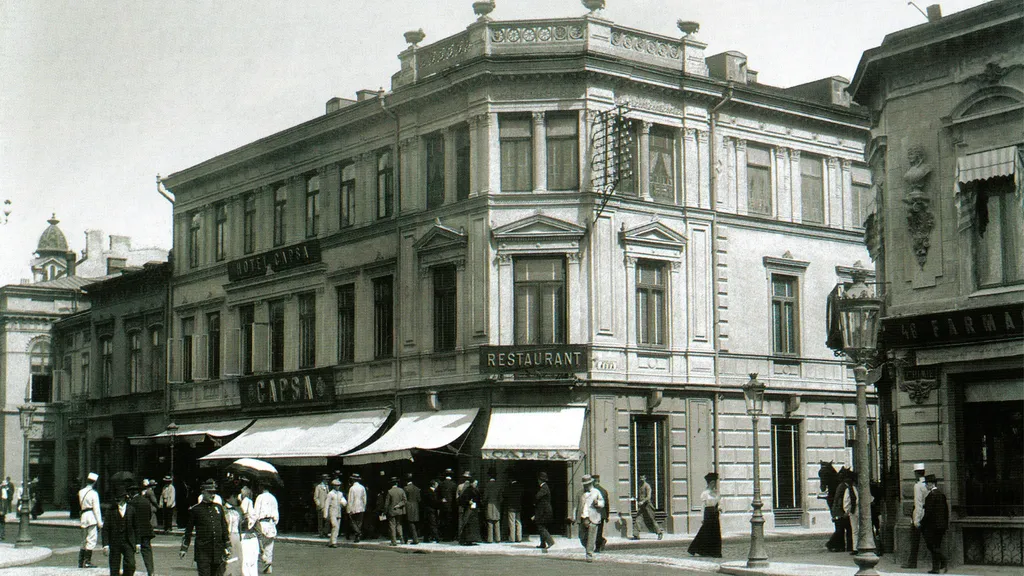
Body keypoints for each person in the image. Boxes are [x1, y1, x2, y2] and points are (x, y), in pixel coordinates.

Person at [180, 479, 231, 576]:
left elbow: (224, 527)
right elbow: (188, 531)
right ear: (203, 492)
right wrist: (184, 548)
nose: (212, 495)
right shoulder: (196, 510)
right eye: (209, 492)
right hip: (203, 552)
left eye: (214, 493)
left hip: (217, 551)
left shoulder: (218, 508)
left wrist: (228, 545)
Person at [102, 484, 137, 576]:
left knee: (130, 564)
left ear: (125, 498)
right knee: (114, 567)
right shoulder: (110, 510)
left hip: (128, 541)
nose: (117, 500)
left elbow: (136, 527)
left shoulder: (131, 509)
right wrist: (105, 545)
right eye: (116, 498)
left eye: (120, 498)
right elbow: (105, 528)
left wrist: (138, 543)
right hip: (114, 542)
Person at [688, 472, 722, 557]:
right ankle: (695, 548)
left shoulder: (716, 493)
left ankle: (714, 552)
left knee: (715, 533)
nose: (715, 484)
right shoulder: (705, 493)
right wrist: (702, 517)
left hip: (715, 513)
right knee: (705, 532)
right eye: (714, 482)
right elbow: (703, 506)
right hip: (708, 513)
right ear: (711, 483)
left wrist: (719, 508)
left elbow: (719, 502)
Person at [921, 474, 948, 574]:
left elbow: (928, 513)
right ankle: (937, 567)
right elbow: (946, 511)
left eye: (927, 484)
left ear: (931, 484)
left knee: (932, 546)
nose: (926, 486)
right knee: (937, 545)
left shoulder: (931, 496)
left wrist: (921, 523)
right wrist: (945, 525)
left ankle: (942, 562)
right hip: (941, 526)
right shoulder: (942, 495)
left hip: (932, 526)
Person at [574, 474, 604, 563]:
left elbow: (602, 503)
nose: (585, 485)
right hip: (582, 517)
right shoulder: (579, 493)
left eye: (587, 484)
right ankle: (588, 547)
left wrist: (597, 503)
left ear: (590, 483)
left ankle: (589, 554)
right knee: (582, 537)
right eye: (584, 484)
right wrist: (573, 516)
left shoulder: (596, 492)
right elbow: (576, 506)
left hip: (593, 518)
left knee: (591, 537)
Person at [902, 463, 928, 569]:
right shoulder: (928, 484)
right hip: (928, 514)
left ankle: (912, 563)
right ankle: (941, 561)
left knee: (915, 541)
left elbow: (918, 504)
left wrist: (916, 520)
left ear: (916, 474)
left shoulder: (917, 486)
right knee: (929, 540)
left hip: (919, 514)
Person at [129, 481, 156, 575]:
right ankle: (150, 571)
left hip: (134, 531)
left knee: (130, 552)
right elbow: (149, 515)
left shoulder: (131, 503)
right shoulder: (146, 501)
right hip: (146, 530)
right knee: (147, 552)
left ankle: (130, 571)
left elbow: (130, 518)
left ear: (131, 493)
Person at [79, 472, 103, 568]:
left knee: (84, 539)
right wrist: (100, 522)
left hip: (83, 516)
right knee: (92, 539)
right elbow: (96, 509)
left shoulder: (81, 492)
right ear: (94, 483)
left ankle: (81, 561)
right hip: (91, 516)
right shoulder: (94, 493)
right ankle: (87, 561)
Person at [252, 485, 279, 573]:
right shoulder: (273, 498)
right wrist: (274, 523)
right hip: (271, 523)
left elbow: (255, 512)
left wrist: (254, 524)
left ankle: (262, 563)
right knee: (269, 546)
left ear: (262, 488)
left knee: (259, 546)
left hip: (262, 523)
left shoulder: (260, 497)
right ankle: (268, 566)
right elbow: (276, 513)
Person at [631, 473, 663, 540]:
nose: (641, 479)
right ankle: (636, 535)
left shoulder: (647, 486)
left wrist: (642, 501)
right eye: (640, 478)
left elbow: (648, 497)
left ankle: (659, 532)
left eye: (643, 478)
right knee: (638, 519)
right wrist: (636, 499)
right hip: (642, 506)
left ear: (645, 478)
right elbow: (640, 497)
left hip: (647, 505)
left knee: (651, 519)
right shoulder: (640, 486)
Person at [831, 467, 854, 552]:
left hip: (842, 511)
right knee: (843, 530)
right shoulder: (842, 486)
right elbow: (838, 500)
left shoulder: (844, 486)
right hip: (841, 512)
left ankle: (847, 546)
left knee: (845, 530)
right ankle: (842, 546)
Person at [533, 471, 555, 551]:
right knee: (543, 526)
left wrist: (534, 503)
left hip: (544, 511)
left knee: (540, 526)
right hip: (545, 510)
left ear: (540, 480)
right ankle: (543, 543)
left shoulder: (544, 487)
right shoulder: (544, 487)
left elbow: (537, 496)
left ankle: (550, 541)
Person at [324, 479, 347, 548]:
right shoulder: (330, 494)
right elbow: (327, 504)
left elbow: (343, 501)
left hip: (338, 512)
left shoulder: (340, 493)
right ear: (333, 486)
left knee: (337, 528)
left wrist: (344, 503)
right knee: (335, 526)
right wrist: (325, 514)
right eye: (336, 485)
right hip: (332, 511)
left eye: (339, 485)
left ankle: (331, 542)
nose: (338, 487)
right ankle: (334, 542)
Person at [458, 477, 481, 546]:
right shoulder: (468, 490)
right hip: (469, 509)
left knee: (473, 524)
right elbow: (462, 499)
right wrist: (468, 501)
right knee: (468, 523)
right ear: (471, 483)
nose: (476, 484)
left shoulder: (475, 490)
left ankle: (472, 539)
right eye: (475, 483)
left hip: (474, 509)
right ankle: (466, 539)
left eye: (476, 483)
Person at [384, 477, 407, 545]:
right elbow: (405, 500)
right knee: (399, 525)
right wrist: (399, 505)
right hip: (399, 511)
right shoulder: (401, 490)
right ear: (397, 483)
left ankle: (393, 541)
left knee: (392, 526)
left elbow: (386, 504)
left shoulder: (389, 491)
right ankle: (401, 539)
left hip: (391, 511)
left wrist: (385, 512)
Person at [346, 473, 366, 543]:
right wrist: (364, 506)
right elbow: (364, 498)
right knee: (359, 522)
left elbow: (350, 499)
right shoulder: (362, 487)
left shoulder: (352, 488)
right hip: (361, 506)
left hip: (354, 507)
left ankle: (358, 533)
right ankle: (358, 535)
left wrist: (349, 509)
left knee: (353, 522)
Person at [844, 470, 861, 554]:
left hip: (853, 510)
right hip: (861, 510)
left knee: (855, 530)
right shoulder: (859, 488)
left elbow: (846, 501)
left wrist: (847, 511)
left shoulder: (849, 489)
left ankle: (856, 548)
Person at [592, 474, 610, 552]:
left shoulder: (593, 491)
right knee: (599, 531)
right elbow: (607, 504)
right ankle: (600, 542)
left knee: (595, 531)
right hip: (602, 514)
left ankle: (598, 547)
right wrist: (607, 516)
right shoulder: (604, 490)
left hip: (595, 514)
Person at [483, 472, 502, 543]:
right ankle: (498, 538)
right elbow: (501, 498)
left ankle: (490, 539)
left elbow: (485, 497)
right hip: (497, 505)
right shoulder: (498, 485)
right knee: (497, 522)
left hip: (489, 505)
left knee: (490, 522)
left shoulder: (487, 485)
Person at [438, 469, 457, 541]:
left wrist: (442, 500)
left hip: (443, 506)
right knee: (450, 521)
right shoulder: (454, 484)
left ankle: (444, 536)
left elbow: (438, 495)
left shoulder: (441, 484)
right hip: (451, 506)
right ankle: (450, 536)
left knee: (444, 521)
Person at [504, 476, 523, 543]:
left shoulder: (509, 487)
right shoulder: (519, 486)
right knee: (518, 522)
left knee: (512, 522)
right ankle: (519, 537)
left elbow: (506, 495)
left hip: (511, 507)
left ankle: (512, 538)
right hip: (518, 506)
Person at [403, 473, 421, 545]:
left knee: (408, 524)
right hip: (416, 507)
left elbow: (404, 499)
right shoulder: (417, 488)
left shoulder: (405, 488)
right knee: (414, 524)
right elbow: (419, 499)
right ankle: (413, 538)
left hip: (408, 507)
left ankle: (411, 539)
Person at [423, 478, 441, 543]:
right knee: (432, 523)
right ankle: (437, 537)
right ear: (433, 485)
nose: (437, 485)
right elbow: (433, 501)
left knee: (428, 524)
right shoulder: (429, 492)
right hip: (431, 510)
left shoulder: (434, 491)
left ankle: (426, 538)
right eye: (436, 484)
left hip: (431, 509)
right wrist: (440, 501)